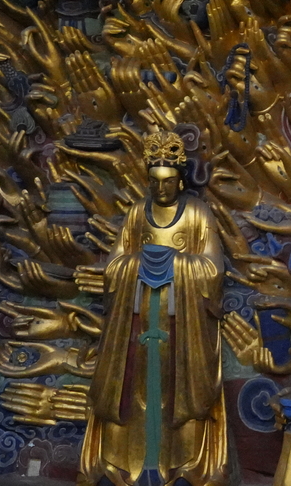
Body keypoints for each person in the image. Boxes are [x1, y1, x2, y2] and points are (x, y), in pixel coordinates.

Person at [78, 124, 228, 486]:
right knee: (128, 390)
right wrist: (138, 265)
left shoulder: (197, 214)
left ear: (180, 181)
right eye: (154, 181)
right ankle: (122, 464)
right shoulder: (136, 214)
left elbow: (213, 269)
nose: (161, 188)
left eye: (168, 181)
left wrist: (173, 263)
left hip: (182, 324)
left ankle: (183, 464)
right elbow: (114, 266)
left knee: (178, 394)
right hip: (136, 321)